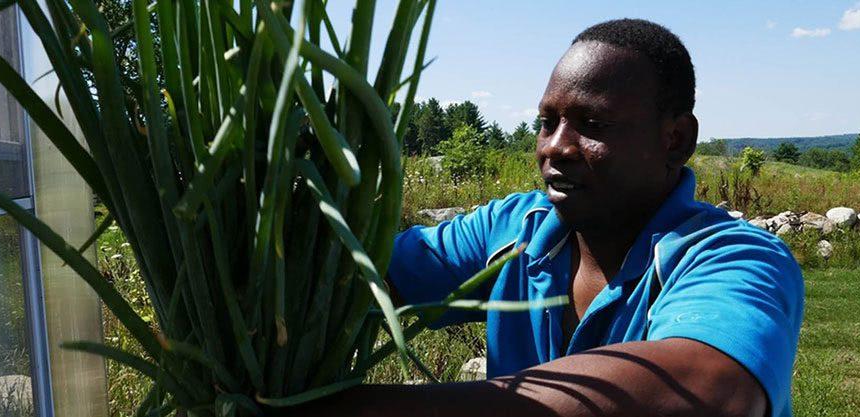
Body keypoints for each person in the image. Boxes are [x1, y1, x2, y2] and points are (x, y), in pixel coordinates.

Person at [302, 18, 804, 417]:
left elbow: (710, 389)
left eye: (593, 124)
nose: (555, 147)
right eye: (547, 122)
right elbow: (355, 274)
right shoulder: (515, 231)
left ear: (675, 140)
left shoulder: (733, 257)